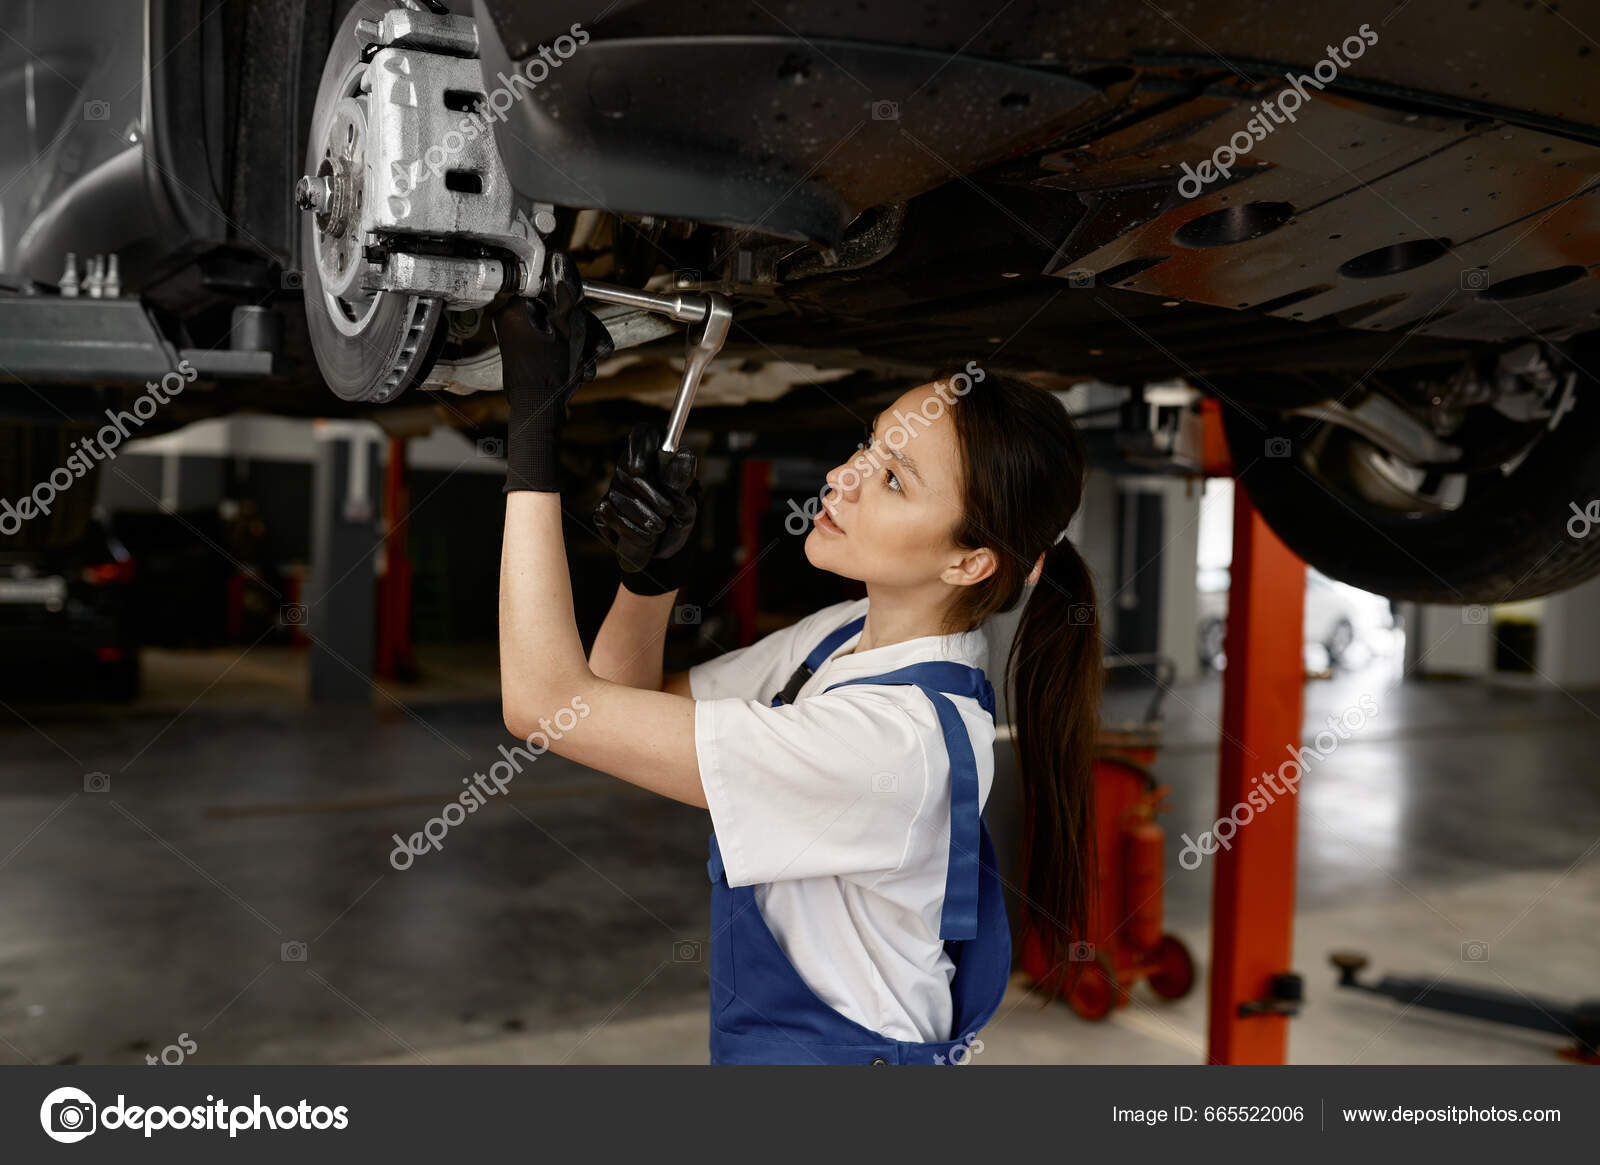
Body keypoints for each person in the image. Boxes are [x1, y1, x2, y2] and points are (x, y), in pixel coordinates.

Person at [495, 255, 1101, 1065]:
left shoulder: (893, 744)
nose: (843, 478)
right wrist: (651, 578)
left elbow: (543, 706)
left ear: (969, 561)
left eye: (892, 478)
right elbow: (613, 700)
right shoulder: (846, 636)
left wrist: (532, 434)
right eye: (868, 445)